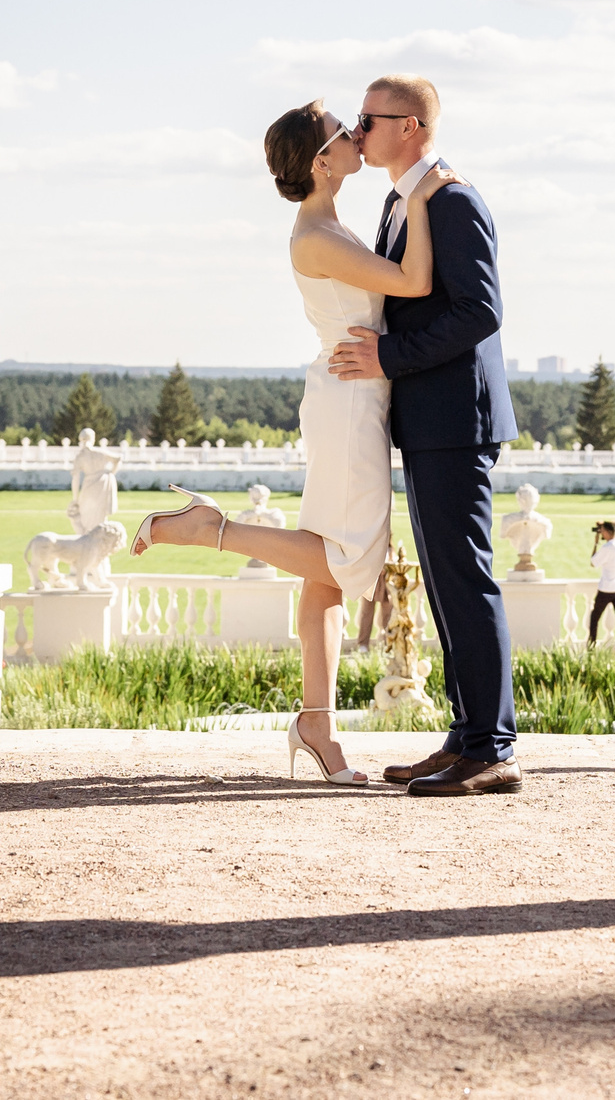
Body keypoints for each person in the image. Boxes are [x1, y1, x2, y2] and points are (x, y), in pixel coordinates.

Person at [132, 99, 459, 786]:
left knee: (324, 582)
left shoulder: (328, 222)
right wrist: (423, 192)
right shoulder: (314, 231)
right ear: (321, 159)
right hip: (348, 403)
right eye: (347, 131)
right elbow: (413, 282)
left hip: (350, 393)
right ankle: (211, 529)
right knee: (347, 560)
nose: (357, 137)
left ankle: (317, 726)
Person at [329, 73, 523, 796]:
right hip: (428, 421)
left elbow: (480, 311)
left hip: (456, 421)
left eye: (368, 120)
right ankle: (467, 736)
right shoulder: (399, 198)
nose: (358, 131)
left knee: (466, 578)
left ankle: (493, 748)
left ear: (409, 125)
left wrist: (388, 357)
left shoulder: (455, 199)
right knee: (445, 583)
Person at [588, 520, 615, 651]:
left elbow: (593, 562)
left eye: (602, 531)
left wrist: (596, 542)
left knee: (594, 618)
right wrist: (604, 523)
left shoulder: (607, 548)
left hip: (606, 589)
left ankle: (591, 649)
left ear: (607, 532)